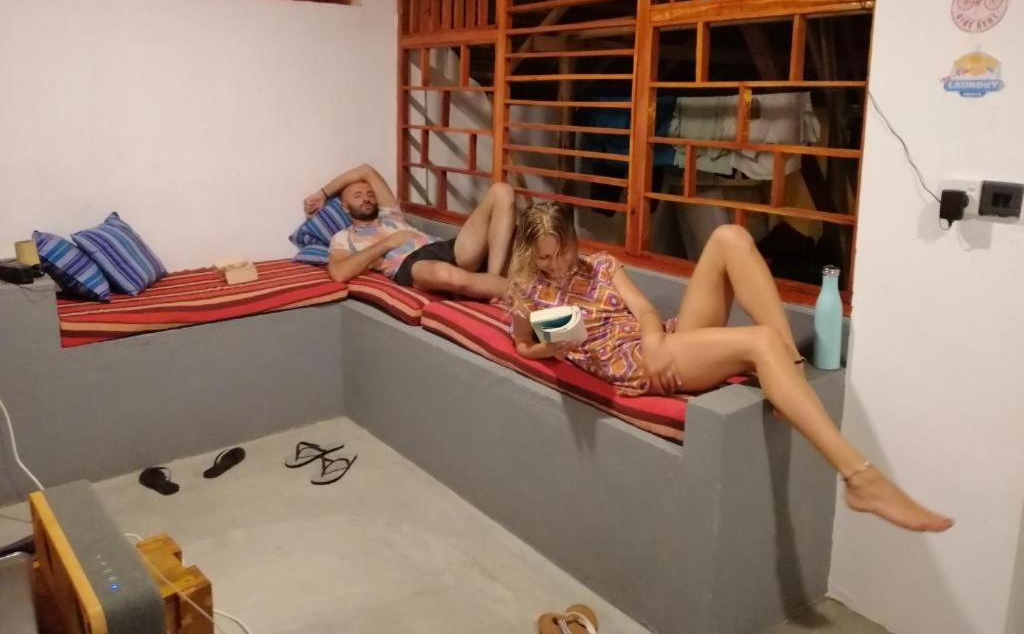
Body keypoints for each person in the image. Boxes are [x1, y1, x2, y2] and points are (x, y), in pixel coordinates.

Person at [507, 202, 953, 533]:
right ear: (530, 252)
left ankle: (789, 367)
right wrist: (552, 350)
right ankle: (859, 476)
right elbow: (523, 345)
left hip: (657, 343)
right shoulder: (527, 292)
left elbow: (643, 310)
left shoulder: (600, 266)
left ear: (572, 242)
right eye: (544, 257)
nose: (556, 265)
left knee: (730, 237)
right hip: (631, 366)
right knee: (759, 341)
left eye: (561, 252)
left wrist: (655, 340)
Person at [302, 163, 513, 300]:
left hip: (443, 246)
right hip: (411, 263)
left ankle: (493, 282)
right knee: (446, 274)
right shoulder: (344, 237)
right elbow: (339, 273)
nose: (366, 198)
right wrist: (388, 243)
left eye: (370, 194)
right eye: (357, 196)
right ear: (345, 207)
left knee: (501, 191)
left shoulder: (389, 213)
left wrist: (322, 194)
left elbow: (365, 170)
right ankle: (518, 296)